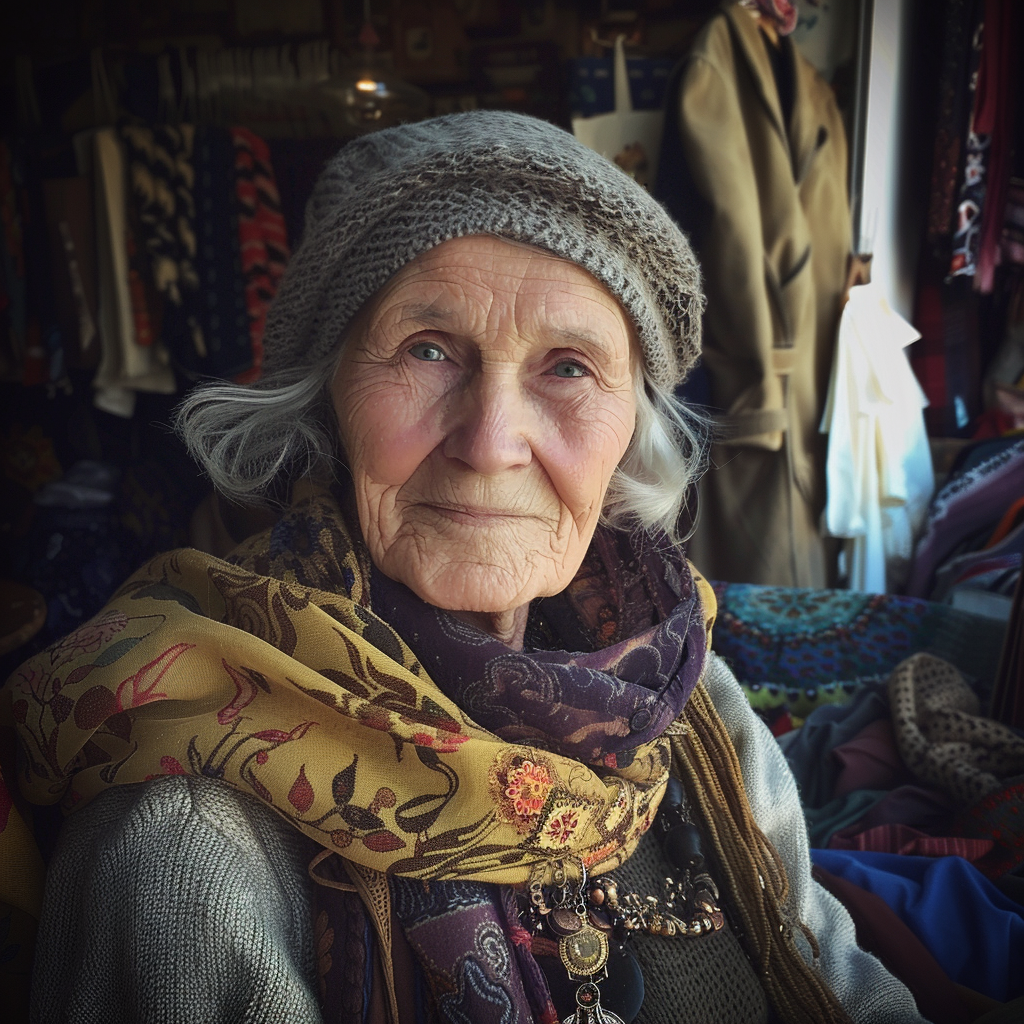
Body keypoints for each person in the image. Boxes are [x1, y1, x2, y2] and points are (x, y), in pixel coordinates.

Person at [4, 111, 928, 1024]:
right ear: (325, 406)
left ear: (630, 437)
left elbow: (849, 993)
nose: (490, 443)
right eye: (428, 350)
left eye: (567, 368)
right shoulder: (187, 856)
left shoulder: (694, 709)